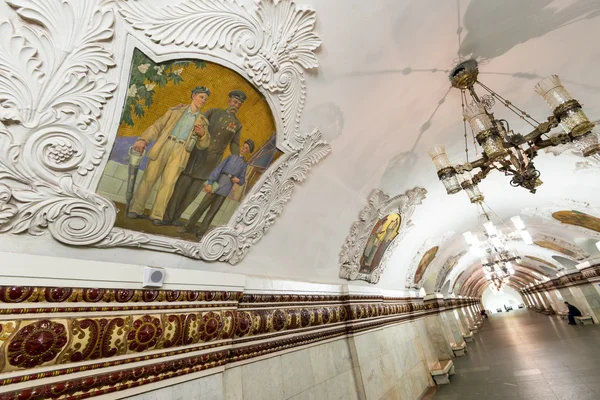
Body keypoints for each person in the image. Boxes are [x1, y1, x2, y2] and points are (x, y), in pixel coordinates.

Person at [127, 86, 211, 225]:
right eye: (201, 97)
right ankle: (135, 209)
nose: (203, 101)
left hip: (181, 151)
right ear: (194, 96)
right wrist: (143, 139)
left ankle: (157, 216)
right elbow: (157, 126)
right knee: (149, 178)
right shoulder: (175, 111)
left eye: (205, 99)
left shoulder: (203, 121)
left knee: (168, 184)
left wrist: (202, 134)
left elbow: (204, 144)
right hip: (164, 144)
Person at [165, 90, 246, 224]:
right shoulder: (214, 112)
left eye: (239, 104)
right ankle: (167, 217)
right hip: (196, 155)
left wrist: (238, 161)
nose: (236, 105)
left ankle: (175, 218)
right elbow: (196, 122)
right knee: (180, 187)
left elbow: (235, 144)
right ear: (229, 101)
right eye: (235, 102)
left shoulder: (237, 125)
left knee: (193, 192)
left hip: (211, 163)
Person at [178, 139, 255, 239]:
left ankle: (201, 231)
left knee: (212, 211)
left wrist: (238, 180)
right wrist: (210, 183)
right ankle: (187, 227)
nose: (243, 149)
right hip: (216, 184)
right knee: (202, 207)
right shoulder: (231, 157)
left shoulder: (243, 165)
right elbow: (218, 169)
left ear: (248, 151)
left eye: (246, 149)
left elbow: (242, 181)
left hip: (225, 190)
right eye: (243, 147)